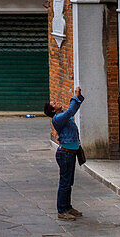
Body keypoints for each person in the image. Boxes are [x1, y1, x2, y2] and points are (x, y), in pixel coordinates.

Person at [45, 86, 85, 221]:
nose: (56, 102)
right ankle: (62, 210)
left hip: (70, 153)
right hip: (65, 154)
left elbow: (74, 109)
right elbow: (71, 111)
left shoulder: (63, 117)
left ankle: (68, 207)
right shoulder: (58, 118)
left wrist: (78, 98)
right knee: (65, 182)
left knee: (69, 181)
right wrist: (75, 96)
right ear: (52, 110)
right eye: (54, 104)